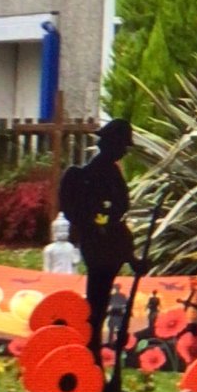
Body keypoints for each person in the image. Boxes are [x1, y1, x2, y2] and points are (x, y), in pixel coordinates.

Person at [59, 118, 147, 368]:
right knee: (96, 304)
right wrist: (99, 229)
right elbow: (95, 215)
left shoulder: (112, 173)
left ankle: (94, 356)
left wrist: (132, 259)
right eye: (121, 146)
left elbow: (120, 220)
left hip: (111, 248)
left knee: (100, 301)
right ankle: (90, 356)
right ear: (109, 144)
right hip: (98, 248)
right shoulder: (89, 175)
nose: (123, 152)